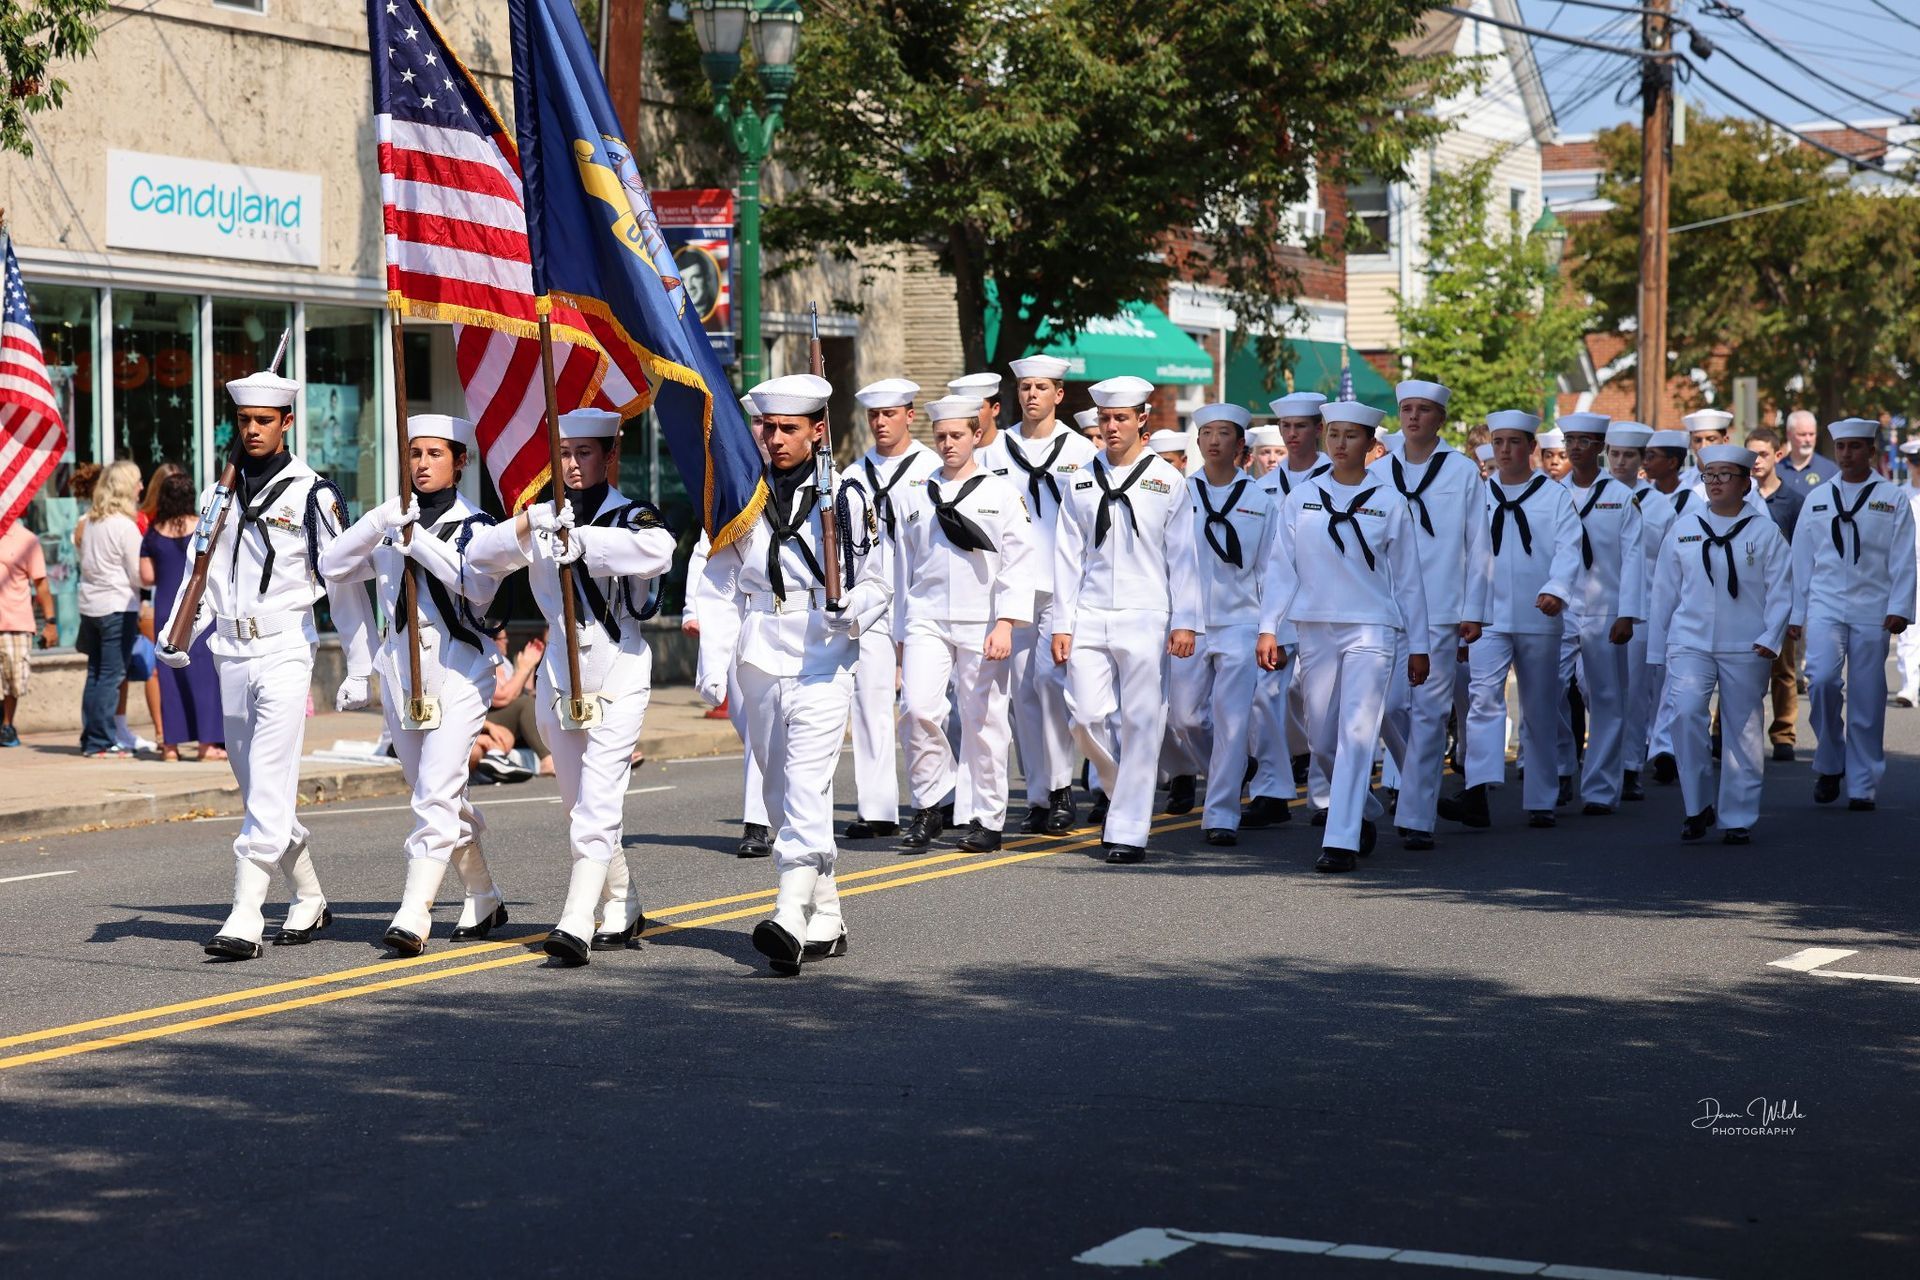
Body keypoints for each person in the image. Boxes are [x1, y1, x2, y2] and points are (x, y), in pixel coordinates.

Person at [158, 368, 377, 961]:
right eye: (244, 421)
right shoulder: (216, 493)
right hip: (229, 651)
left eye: (263, 421)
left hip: (284, 650)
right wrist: (178, 633)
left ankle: (246, 912)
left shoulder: (314, 494)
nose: (252, 430)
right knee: (258, 787)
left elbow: (346, 582)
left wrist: (360, 665)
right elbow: (198, 575)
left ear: (285, 424)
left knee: (271, 779)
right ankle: (309, 897)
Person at [465, 408, 676, 965]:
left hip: (618, 666)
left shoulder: (631, 514)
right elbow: (479, 557)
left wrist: (584, 542)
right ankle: (623, 902)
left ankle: (576, 920)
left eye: (585, 453)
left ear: (609, 457)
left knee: (598, 803)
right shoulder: (542, 518)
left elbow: (659, 552)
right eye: (564, 454)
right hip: (560, 670)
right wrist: (530, 523)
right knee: (579, 804)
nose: (573, 465)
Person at [703, 373, 891, 975]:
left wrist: (852, 609)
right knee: (781, 791)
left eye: (789, 429)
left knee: (807, 783)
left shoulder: (848, 497)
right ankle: (828, 916)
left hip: (823, 655)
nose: (775, 438)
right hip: (761, 654)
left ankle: (786, 912)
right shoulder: (743, 494)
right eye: (768, 427)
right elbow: (720, 584)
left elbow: (881, 581)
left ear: (817, 431)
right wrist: (715, 661)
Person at [318, 415, 513, 954]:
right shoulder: (389, 520)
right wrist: (380, 519)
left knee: (434, 792)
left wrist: (417, 540)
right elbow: (332, 566)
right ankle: (484, 894)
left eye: (433, 454)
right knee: (438, 791)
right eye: (414, 454)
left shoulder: (479, 525)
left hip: (460, 672)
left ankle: (414, 911)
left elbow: (477, 587)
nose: (422, 464)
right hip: (402, 676)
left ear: (460, 462)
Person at [1258, 400, 1429, 871]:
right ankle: (1364, 808)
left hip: (1372, 627)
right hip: (1315, 627)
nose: (1338, 443)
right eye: (1333, 434)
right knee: (1321, 739)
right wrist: (1268, 626)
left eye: (1350, 436)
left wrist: (1420, 645)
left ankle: (1341, 840)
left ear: (1371, 445)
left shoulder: (1391, 502)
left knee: (1357, 733)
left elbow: (1410, 581)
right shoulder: (1302, 497)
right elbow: (1280, 568)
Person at [1052, 374, 1203, 864]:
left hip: (1146, 612)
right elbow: (1066, 556)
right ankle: (1123, 791)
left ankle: (1128, 829)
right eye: (1105, 419)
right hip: (1091, 611)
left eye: (1120, 418)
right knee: (1084, 715)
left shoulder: (1168, 480)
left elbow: (1183, 558)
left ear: (1143, 419)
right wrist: (1062, 621)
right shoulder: (1078, 477)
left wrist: (1185, 620)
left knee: (1141, 722)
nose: (1111, 426)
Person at [892, 394, 1036, 853]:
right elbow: (901, 566)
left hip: (983, 621)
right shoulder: (915, 492)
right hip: (926, 619)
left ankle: (988, 818)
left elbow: (1019, 561)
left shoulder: (1000, 493)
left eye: (957, 435)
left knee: (983, 721)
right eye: (941, 437)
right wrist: (900, 634)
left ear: (977, 435)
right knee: (917, 710)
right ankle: (930, 803)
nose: (949, 444)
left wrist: (1007, 622)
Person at [1440, 410, 1581, 829]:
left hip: (1539, 613)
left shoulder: (1554, 497)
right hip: (1488, 615)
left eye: (1513, 442)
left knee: (1538, 707)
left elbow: (1569, 549)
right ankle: (1478, 792)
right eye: (1498, 442)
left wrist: (1557, 589)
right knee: (1483, 700)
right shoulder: (1479, 495)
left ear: (1531, 448)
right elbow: (1462, 553)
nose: (1504, 450)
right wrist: (1466, 610)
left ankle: (1541, 797)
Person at [1646, 446, 1792, 844]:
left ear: (1746, 482)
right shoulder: (1686, 526)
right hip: (1689, 640)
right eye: (1709, 475)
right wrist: (1657, 649)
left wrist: (1771, 636)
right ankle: (1697, 806)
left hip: (1746, 644)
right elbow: (1664, 592)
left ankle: (1738, 816)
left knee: (1742, 728)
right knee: (1686, 713)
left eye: (1725, 475)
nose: (1715, 483)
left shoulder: (1763, 532)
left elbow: (1782, 589)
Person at [978, 354, 1098, 835]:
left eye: (1042, 387)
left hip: (1063, 585)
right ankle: (1038, 796)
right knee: (1022, 693)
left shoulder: (1080, 451)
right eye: (1025, 387)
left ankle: (1063, 788)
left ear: (1059, 395)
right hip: (1014, 586)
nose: (1032, 395)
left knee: (1053, 688)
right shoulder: (996, 450)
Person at [1372, 380, 1488, 850]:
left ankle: (1417, 817)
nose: (1413, 417)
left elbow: (1479, 544)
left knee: (1430, 713)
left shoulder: (1461, 471)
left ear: (1440, 418)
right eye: (1406, 409)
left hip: (1441, 610)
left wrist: (1473, 610)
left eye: (1423, 410)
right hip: (1390, 608)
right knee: (1388, 706)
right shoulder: (1379, 473)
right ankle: (1410, 777)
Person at [1788, 416, 1917, 811]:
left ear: (1871, 452)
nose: (1847, 454)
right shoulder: (1819, 498)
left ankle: (1862, 782)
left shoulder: (1892, 498)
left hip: (1873, 607)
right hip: (1826, 604)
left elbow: (1903, 558)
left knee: (1868, 694)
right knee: (1823, 681)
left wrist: (1900, 607)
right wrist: (1797, 612)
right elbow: (1802, 558)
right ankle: (1829, 761)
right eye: (1841, 447)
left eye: (1855, 447)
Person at [1166, 402, 1275, 844]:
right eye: (1207, 432)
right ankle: (1227, 770)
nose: (1214, 441)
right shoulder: (1179, 494)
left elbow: (1271, 569)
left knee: (1232, 721)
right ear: (1197, 442)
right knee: (1185, 718)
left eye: (1224, 433)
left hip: (1241, 623)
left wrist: (1271, 630)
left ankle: (1221, 814)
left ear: (1240, 445)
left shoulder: (1260, 500)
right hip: (1190, 622)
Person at [845, 377, 940, 841]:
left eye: (889, 414)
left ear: (910, 415)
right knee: (870, 703)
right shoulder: (853, 474)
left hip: (921, 599)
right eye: (874, 416)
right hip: (872, 599)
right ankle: (878, 808)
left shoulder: (933, 467)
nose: (880, 423)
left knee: (927, 707)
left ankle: (942, 797)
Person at [1556, 412, 1644, 815]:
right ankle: (1559, 769)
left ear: (1600, 449)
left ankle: (1600, 788)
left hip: (1605, 608)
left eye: (1584, 441)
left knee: (1606, 698)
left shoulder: (1622, 496)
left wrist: (1627, 613)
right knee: (1549, 691)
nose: (1575, 448)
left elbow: (1633, 560)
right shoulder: (1553, 492)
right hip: (1561, 606)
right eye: (1570, 440)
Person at [140, 470, 225, 761]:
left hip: (166, 608)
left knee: (169, 679)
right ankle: (206, 745)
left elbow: (146, 576)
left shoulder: (153, 533)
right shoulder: (202, 527)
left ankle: (171, 748)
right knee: (204, 677)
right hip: (196, 607)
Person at [75, 460, 144, 758]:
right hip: (117, 605)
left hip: (92, 605)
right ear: (127, 486)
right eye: (138, 481)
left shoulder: (91, 522)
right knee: (112, 675)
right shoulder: (125, 526)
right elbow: (138, 573)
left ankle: (92, 738)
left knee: (95, 674)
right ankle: (100, 741)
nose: (142, 486)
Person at [1600, 422, 1654, 798]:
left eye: (1628, 455)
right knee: (1591, 689)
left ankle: (1630, 763)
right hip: (1590, 604)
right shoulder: (1577, 492)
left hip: (1639, 606)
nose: (1620, 462)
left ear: (1641, 460)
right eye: (1615, 453)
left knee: (1632, 692)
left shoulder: (1658, 505)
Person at [1748, 427, 1807, 753]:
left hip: (1779, 595)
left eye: (1762, 454)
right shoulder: (1738, 498)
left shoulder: (1792, 502)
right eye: (1750, 454)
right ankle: (1722, 729)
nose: (1755, 461)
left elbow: (1800, 555)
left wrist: (1799, 606)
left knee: (1782, 668)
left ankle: (1783, 733)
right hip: (1745, 596)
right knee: (1737, 666)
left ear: (1777, 456)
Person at [0, 514, 58, 748]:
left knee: (14, 680)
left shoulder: (27, 540)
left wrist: (51, 622)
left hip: (16, 621)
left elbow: (41, 584)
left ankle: (7, 725)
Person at [473, 628, 551, 780]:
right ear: (492, 640)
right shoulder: (485, 660)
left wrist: (530, 667)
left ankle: (496, 761)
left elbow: (523, 692)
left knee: (531, 703)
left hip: (498, 722)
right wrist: (523, 669)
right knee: (525, 704)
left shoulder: (505, 662)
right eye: (503, 638)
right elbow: (501, 698)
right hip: (484, 719)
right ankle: (547, 759)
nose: (507, 642)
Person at [1896, 440, 1920, 708]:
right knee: (1909, 629)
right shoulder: (1900, 495)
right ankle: (1909, 685)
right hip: (1911, 565)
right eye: (1915, 463)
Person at [1777, 409, 1838, 495]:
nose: (1808, 439)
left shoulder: (1830, 471)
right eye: (1802, 434)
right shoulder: (1776, 470)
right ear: (1789, 435)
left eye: (1812, 434)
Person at [948, 372, 1004, 454]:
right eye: (963, 409)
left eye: (976, 408)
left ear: (995, 409)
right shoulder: (952, 454)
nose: (969, 414)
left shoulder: (1014, 448)